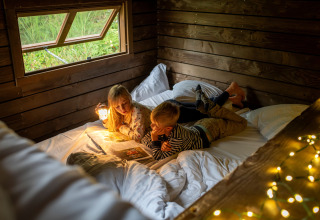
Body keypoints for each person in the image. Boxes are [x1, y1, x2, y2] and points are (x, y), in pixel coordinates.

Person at [141, 86, 247, 160]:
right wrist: (160, 143)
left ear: (168, 128)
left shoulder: (176, 139)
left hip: (212, 130)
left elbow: (158, 156)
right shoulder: (164, 128)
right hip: (200, 125)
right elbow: (144, 139)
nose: (151, 126)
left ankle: (212, 107)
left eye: (154, 124)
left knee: (242, 122)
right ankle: (210, 108)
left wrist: (155, 140)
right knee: (217, 117)